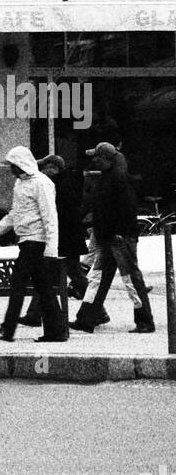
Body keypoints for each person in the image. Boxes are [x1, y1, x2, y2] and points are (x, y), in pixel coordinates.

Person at [71, 142, 155, 334]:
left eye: (97, 157)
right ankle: (86, 319)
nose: (94, 160)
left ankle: (145, 321)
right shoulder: (111, 176)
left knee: (129, 279)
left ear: (106, 159)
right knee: (100, 279)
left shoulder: (116, 179)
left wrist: (117, 232)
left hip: (118, 237)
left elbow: (126, 209)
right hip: (111, 236)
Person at [0, 145, 68, 342]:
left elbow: (50, 216)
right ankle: (56, 330)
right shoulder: (21, 184)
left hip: (37, 241)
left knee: (19, 285)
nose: (10, 169)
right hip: (27, 241)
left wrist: (51, 249)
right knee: (44, 288)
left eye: (12, 165)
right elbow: (15, 213)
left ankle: (8, 328)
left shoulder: (41, 183)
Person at [18, 154, 87, 326]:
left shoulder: (56, 185)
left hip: (64, 239)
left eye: (45, 168)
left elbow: (55, 215)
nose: (42, 171)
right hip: (68, 238)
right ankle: (34, 314)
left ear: (54, 168)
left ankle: (34, 314)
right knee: (64, 274)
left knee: (56, 274)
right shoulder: (66, 182)